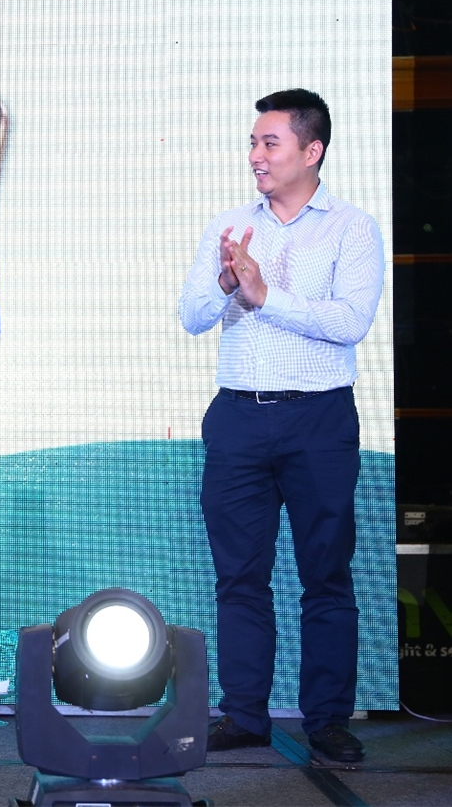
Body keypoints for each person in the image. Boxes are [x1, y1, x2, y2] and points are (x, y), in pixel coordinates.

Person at [178, 88, 385, 764]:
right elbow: (192, 316)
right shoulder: (230, 225)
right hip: (238, 416)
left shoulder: (352, 228)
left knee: (326, 574)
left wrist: (265, 295)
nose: (255, 156)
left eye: (270, 143)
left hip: (319, 417)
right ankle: (245, 714)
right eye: (252, 143)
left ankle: (327, 719)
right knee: (240, 576)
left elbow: (349, 322)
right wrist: (225, 281)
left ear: (312, 149)